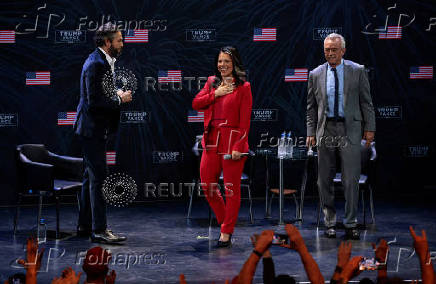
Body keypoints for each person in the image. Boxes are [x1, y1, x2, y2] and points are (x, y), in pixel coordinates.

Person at [306, 33, 376, 240]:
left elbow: (366, 102)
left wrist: (370, 128)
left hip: (350, 130)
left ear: (343, 51)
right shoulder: (315, 74)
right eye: (327, 49)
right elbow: (310, 107)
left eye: (334, 49)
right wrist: (310, 132)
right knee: (323, 180)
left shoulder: (357, 70)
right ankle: (329, 222)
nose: (330, 53)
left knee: (350, 179)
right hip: (325, 129)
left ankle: (351, 222)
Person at [74, 22, 132, 243]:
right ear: (107, 42)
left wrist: (113, 92)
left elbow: (97, 93)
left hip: (94, 129)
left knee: (91, 178)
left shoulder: (103, 61)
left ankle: (84, 225)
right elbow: (93, 102)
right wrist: (119, 98)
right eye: (119, 40)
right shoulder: (96, 64)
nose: (122, 43)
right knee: (99, 179)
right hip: (91, 130)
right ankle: (99, 230)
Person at [192, 46, 252, 248]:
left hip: (232, 142)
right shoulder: (211, 83)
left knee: (231, 190)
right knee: (208, 185)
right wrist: (215, 94)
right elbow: (196, 104)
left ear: (234, 63)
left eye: (227, 61)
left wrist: (238, 145)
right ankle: (225, 222)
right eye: (220, 61)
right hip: (211, 141)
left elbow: (245, 122)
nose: (223, 65)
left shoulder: (244, 87)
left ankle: (226, 232)